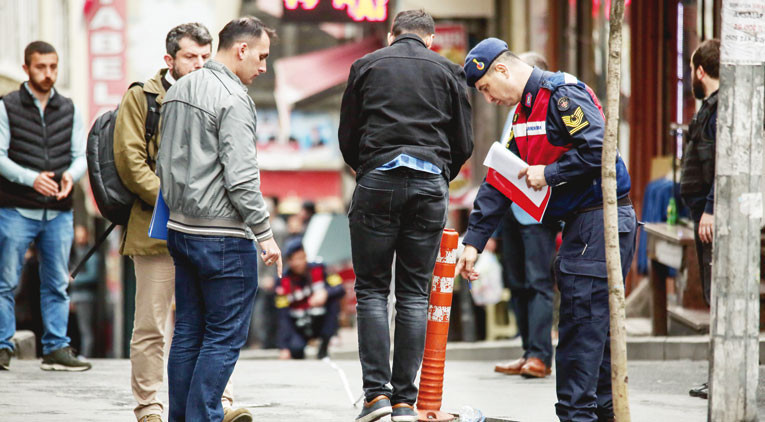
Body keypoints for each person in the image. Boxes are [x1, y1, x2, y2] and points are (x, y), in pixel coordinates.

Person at [455, 38, 637, 422]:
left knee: (580, 331)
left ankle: (578, 416)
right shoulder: (523, 114)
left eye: (486, 88)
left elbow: (599, 149)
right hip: (581, 225)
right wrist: (473, 242)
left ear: (502, 69)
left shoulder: (561, 96)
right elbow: (501, 179)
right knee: (591, 333)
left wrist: (549, 173)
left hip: (599, 220)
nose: (488, 99)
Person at [339, 9, 473, 422]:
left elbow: (347, 134)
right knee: (414, 294)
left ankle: (376, 397)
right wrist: (439, 173)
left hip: (377, 179)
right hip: (430, 183)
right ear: (430, 39)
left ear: (391, 35)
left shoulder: (366, 66)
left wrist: (366, 168)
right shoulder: (449, 71)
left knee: (372, 291)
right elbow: (464, 141)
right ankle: (403, 403)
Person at [114, 23, 249, 422]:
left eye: (206, 56)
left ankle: (218, 403)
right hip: (155, 228)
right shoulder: (142, 98)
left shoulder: (218, 92)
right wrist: (176, 200)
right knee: (152, 325)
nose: (200, 63)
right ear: (170, 59)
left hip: (206, 228)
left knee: (212, 323)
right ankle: (149, 407)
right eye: (191, 56)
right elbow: (130, 162)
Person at [157, 16, 281, 422]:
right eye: (261, 56)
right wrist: (265, 233)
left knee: (188, 332)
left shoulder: (179, 89)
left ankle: (182, 417)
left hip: (180, 229)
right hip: (223, 235)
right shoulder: (233, 98)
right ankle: (204, 416)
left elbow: (162, 162)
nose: (263, 66)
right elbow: (241, 178)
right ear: (241, 49)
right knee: (224, 335)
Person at [0, 41, 91, 372]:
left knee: (57, 284)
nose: (48, 73)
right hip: (16, 209)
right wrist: (31, 179)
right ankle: (2, 346)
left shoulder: (69, 108)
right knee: (6, 283)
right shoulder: (6, 106)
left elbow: (81, 156)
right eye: (41, 67)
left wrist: (71, 175)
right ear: (26, 68)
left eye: (53, 66)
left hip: (58, 212)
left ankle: (56, 348)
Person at [494, 51, 559, 379]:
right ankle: (527, 350)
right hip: (511, 207)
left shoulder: (550, 107)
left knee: (538, 283)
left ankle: (540, 355)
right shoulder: (514, 109)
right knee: (516, 283)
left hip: (537, 210)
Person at [679, 38, 720, 401]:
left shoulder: (719, 109)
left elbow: (724, 164)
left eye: (692, 68)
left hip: (710, 217)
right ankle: (716, 374)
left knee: (717, 295)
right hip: (702, 212)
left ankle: (719, 375)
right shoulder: (710, 108)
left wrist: (710, 208)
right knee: (711, 293)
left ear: (701, 71)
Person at [275, 239, 344, 359]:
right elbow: (282, 315)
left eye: (300, 258)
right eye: (293, 260)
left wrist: (326, 293)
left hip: (321, 321)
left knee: (333, 302)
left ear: (305, 255)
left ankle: (328, 341)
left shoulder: (321, 269)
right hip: (299, 325)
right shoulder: (282, 281)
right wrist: (283, 346)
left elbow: (340, 288)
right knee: (295, 349)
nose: (297, 263)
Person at [69, 225, 100, 358]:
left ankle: (86, 355)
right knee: (75, 329)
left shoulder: (91, 254)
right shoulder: (74, 253)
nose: (79, 238)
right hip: (74, 297)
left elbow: (93, 276)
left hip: (85, 297)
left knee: (85, 329)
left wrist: (73, 280)